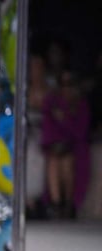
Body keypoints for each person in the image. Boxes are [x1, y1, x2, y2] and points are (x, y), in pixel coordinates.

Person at [40, 68, 90, 219]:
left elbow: (80, 133)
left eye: (70, 83)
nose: (66, 88)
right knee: (54, 161)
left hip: (76, 147)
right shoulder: (52, 102)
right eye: (63, 84)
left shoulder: (81, 105)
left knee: (67, 162)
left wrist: (64, 119)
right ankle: (56, 205)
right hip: (55, 147)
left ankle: (69, 205)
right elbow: (48, 130)